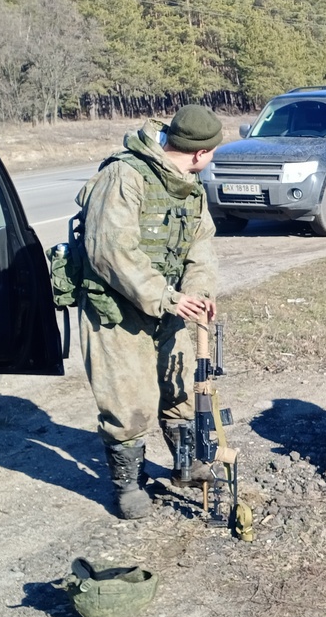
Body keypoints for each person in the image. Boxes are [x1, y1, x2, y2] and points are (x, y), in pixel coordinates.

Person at [76, 105, 224, 519]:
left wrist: (197, 292)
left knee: (182, 386)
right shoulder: (124, 176)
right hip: (117, 309)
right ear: (199, 153)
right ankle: (128, 485)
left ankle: (184, 466)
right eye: (213, 152)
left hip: (171, 305)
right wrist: (166, 296)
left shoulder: (190, 186)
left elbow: (201, 247)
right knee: (128, 400)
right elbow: (109, 251)